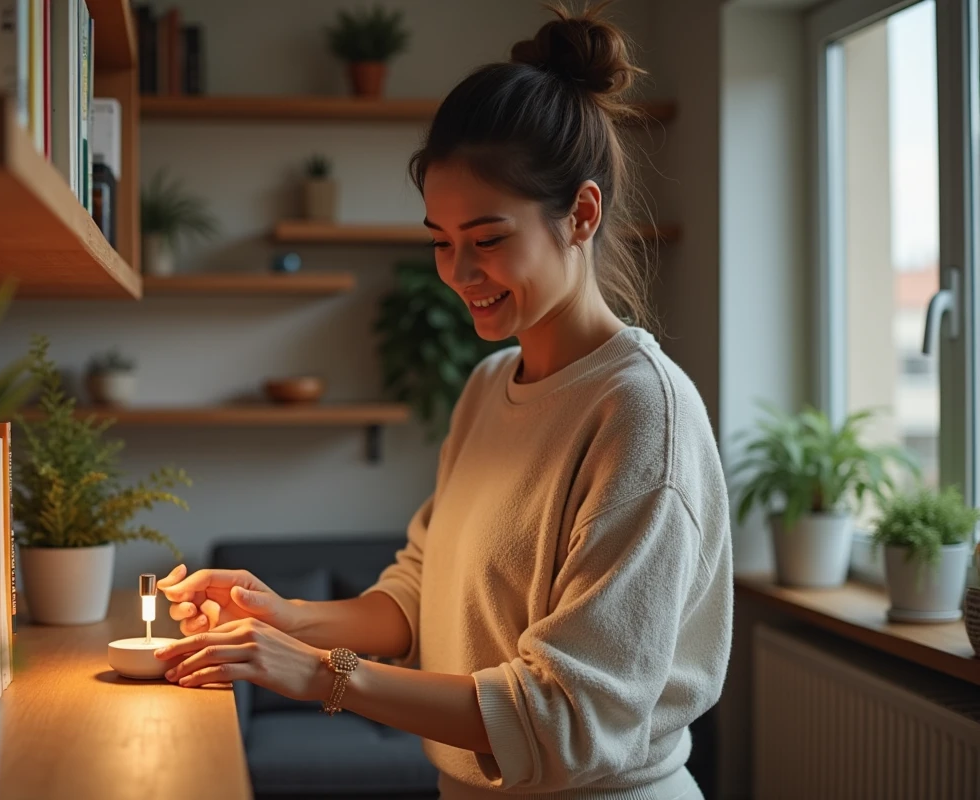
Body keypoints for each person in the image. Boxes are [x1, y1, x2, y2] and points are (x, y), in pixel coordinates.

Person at [152, 4, 733, 798]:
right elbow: (420, 593)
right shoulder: (491, 387)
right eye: (440, 240)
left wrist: (324, 673)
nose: (458, 272)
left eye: (487, 239)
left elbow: (566, 717)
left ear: (582, 215)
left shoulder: (642, 417)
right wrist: (281, 614)